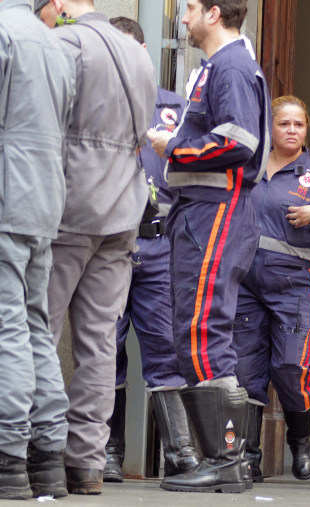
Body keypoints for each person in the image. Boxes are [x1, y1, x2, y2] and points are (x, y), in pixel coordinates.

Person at [147, 0, 270, 494]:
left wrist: (172, 147)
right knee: (195, 329)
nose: (182, 17)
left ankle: (224, 459)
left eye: (190, 7)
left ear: (214, 13)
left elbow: (240, 141)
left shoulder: (233, 66)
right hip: (201, 208)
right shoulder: (218, 66)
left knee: (203, 329)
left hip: (215, 209)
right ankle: (224, 459)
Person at [37, 0, 157, 495]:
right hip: (122, 208)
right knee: (99, 342)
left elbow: (43, 123)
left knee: (35, 328)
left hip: (70, 205)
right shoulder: (138, 54)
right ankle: (86, 462)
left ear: (60, 6)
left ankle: (35, 449)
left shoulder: (66, 44)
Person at [103, 16, 200, 486]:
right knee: (105, 347)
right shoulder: (96, 102)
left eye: (129, 50)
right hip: (109, 244)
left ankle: (180, 450)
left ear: (143, 50)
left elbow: (199, 171)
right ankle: (107, 449)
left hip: (161, 245)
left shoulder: (176, 109)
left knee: (165, 348)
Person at [232, 96, 310, 482]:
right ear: (270, 128)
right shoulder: (248, 166)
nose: (291, 130)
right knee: (246, 370)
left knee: (290, 367)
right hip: (244, 283)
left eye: (298, 124)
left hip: (293, 284)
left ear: (307, 129)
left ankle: (300, 440)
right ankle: (249, 456)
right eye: (284, 124)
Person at [0, 1, 75, 500]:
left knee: (8, 324)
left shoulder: (4, 33)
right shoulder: (53, 42)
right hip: (44, 200)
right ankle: (48, 457)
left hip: (8, 195)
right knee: (33, 326)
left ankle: (8, 455)